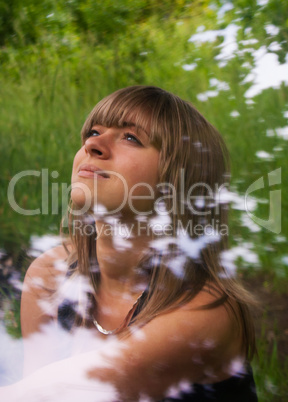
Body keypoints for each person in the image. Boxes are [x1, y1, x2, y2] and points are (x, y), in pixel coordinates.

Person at [3, 86, 258, 401]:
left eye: (131, 138)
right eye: (93, 131)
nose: (92, 144)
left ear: (176, 182)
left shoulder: (206, 309)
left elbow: (53, 394)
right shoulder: (48, 277)